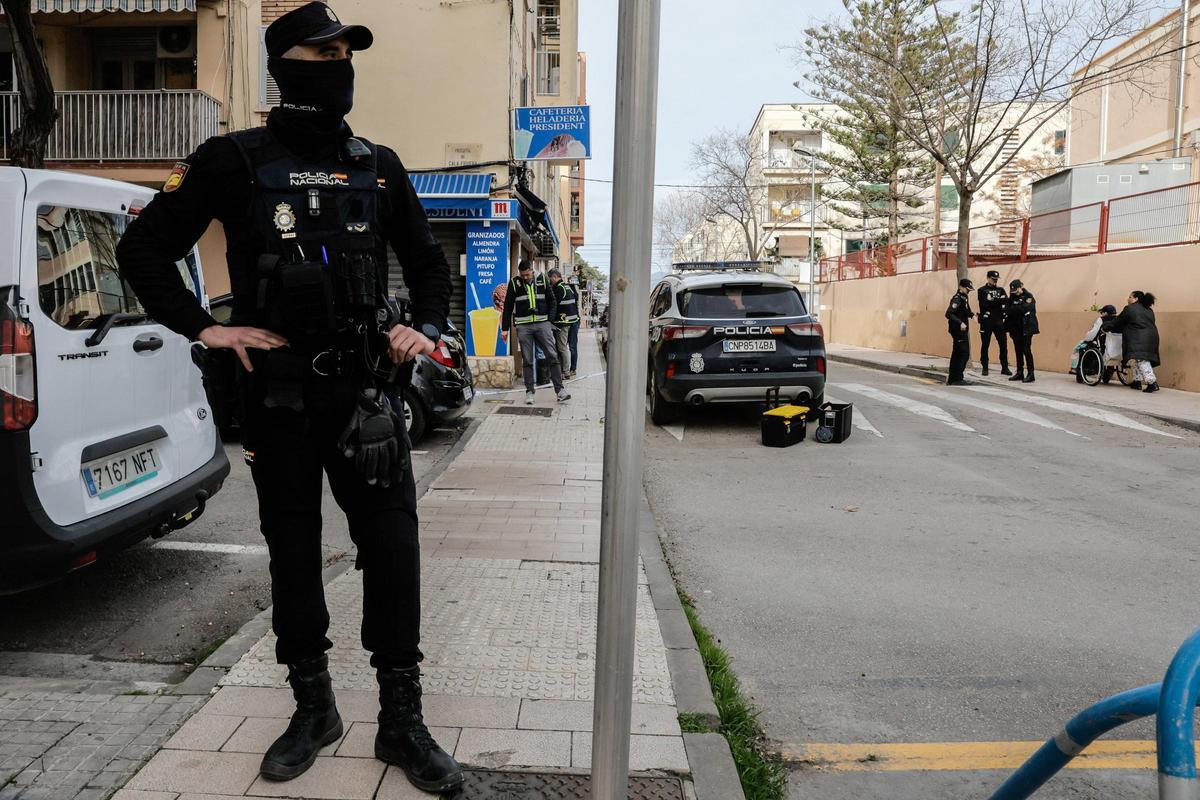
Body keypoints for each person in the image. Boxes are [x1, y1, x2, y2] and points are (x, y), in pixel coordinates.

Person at [114, 4, 463, 793]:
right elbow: (144, 248)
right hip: (278, 396)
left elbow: (427, 265)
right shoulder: (231, 159)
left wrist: (428, 327)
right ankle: (314, 709)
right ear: (287, 62)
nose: (341, 62)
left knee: (394, 556)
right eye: (325, 49)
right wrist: (206, 329)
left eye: (348, 51)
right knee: (295, 557)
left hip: (368, 398)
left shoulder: (380, 164)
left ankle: (402, 724)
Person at [501, 260, 570, 404]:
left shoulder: (543, 279)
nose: (525, 278)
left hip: (542, 324)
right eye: (523, 275)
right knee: (527, 360)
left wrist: (549, 321)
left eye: (527, 275)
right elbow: (507, 306)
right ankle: (529, 392)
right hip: (523, 326)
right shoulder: (514, 283)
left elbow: (552, 301)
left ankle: (560, 390)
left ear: (532, 270)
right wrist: (505, 329)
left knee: (552, 355)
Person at [1105, 291, 1161, 393]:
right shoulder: (1149, 310)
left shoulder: (1130, 308)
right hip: (1152, 337)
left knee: (1142, 360)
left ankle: (1152, 383)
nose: (1128, 299)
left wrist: (1106, 326)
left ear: (1136, 299)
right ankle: (1137, 382)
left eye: (1130, 297)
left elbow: (1118, 321)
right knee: (1137, 359)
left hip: (1139, 338)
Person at [976, 270, 1010, 376]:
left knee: (1003, 345)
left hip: (999, 320)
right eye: (993, 279)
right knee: (985, 344)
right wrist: (999, 301)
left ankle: (1005, 367)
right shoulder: (982, 290)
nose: (995, 281)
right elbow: (985, 304)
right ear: (988, 278)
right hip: (987, 321)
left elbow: (1006, 302)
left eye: (996, 279)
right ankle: (985, 367)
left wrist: (995, 302)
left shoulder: (1001, 289)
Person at [548, 267, 579, 378]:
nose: (550, 281)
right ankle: (568, 369)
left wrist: (550, 319)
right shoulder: (567, 286)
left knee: (562, 348)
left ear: (555, 277)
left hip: (563, 322)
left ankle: (565, 372)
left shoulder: (558, 288)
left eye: (550, 278)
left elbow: (554, 305)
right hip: (572, 321)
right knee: (570, 347)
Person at [1006, 279, 1039, 383]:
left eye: (1016, 290)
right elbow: (1007, 309)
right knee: (1018, 350)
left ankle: (1031, 373)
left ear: (1021, 287)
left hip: (1026, 328)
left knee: (1026, 350)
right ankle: (1020, 372)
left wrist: (1014, 309)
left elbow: (1025, 309)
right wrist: (1015, 309)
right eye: (1013, 291)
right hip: (1015, 328)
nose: (1015, 292)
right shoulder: (1012, 297)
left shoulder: (1028, 296)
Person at [945, 278, 974, 386]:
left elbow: (966, 311)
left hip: (961, 330)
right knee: (964, 353)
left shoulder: (964, 297)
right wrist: (960, 322)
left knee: (957, 354)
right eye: (967, 289)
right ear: (961, 287)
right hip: (958, 330)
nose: (969, 291)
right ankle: (958, 378)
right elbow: (948, 313)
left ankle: (953, 378)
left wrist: (972, 315)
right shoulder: (957, 299)